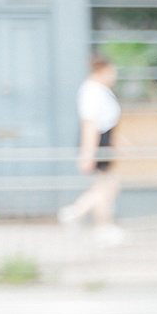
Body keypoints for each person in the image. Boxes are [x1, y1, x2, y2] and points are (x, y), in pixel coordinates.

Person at [57, 55, 123, 245]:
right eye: (112, 72)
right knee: (105, 187)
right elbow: (90, 124)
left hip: (104, 141)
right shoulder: (91, 91)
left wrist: (118, 142)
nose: (114, 77)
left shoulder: (101, 90)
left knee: (106, 186)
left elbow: (108, 120)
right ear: (102, 71)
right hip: (97, 143)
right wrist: (88, 153)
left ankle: (77, 214)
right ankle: (95, 223)